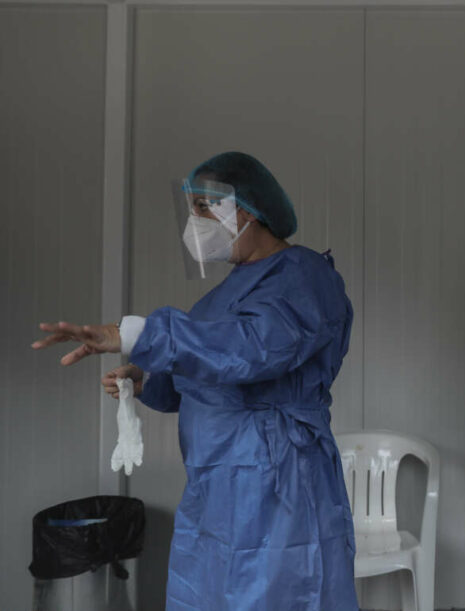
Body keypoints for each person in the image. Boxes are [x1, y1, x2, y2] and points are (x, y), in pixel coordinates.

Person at [31, 152, 358, 611]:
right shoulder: (225, 294)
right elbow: (206, 370)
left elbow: (250, 350)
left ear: (246, 210)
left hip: (275, 482)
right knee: (204, 593)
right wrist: (147, 381)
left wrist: (133, 334)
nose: (195, 221)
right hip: (215, 484)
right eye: (191, 208)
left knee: (273, 594)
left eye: (204, 206)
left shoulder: (304, 276)